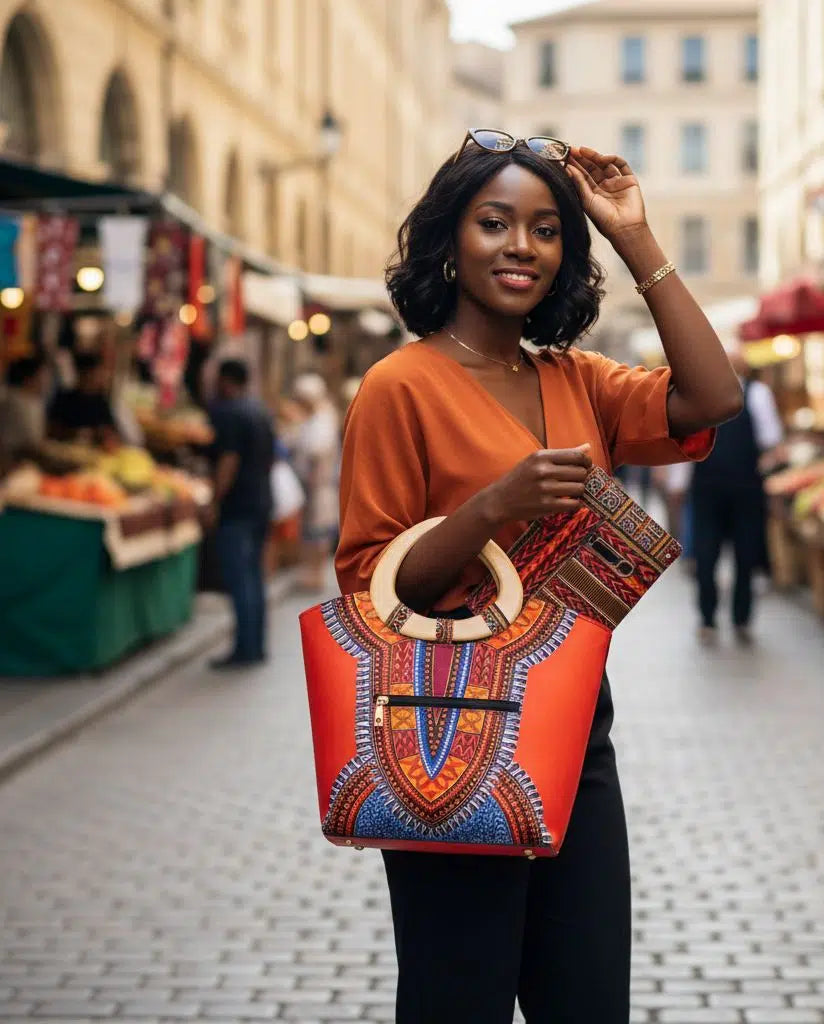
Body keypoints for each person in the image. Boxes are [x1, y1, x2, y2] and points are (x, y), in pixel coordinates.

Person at [333, 129, 741, 1023]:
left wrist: (635, 237)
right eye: (494, 223)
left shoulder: (578, 379)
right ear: (449, 242)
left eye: (547, 230)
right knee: (458, 1001)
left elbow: (714, 399)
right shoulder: (398, 387)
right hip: (449, 731)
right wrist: (491, 509)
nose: (522, 245)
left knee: (588, 999)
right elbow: (370, 590)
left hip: (576, 731)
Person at [688, 348, 784, 645]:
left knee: (736, 554)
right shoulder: (756, 394)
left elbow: (770, 439)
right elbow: (770, 440)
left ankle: (724, 619)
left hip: (733, 488)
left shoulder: (708, 395)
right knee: (716, 555)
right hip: (723, 487)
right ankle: (717, 618)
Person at [207, 359, 275, 669]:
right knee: (253, 577)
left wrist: (214, 500)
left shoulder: (230, 413)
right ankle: (255, 644)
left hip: (238, 507)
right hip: (261, 502)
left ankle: (245, 648)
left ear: (225, 380)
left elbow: (228, 461)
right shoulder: (260, 411)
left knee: (241, 579)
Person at [292, 372, 340, 591]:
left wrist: (312, 483)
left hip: (318, 485)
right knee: (312, 530)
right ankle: (310, 573)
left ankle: (316, 574)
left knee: (317, 531)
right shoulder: (314, 418)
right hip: (312, 484)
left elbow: (318, 455)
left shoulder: (322, 420)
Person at [47, 350, 120, 447]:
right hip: (66, 451)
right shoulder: (65, 398)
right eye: (95, 374)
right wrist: (74, 433)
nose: (99, 378)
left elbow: (112, 433)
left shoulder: (101, 401)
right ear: (82, 374)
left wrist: (102, 434)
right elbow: (51, 430)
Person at [0, 354, 48, 471]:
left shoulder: (33, 400)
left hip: (24, 460)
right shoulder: (14, 401)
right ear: (28, 379)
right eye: (41, 376)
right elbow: (30, 443)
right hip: (13, 462)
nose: (45, 381)